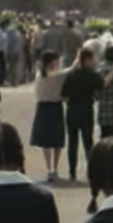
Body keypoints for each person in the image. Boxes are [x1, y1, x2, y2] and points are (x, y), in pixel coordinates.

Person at [60, 48, 106, 182]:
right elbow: (102, 84)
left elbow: (63, 95)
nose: (94, 61)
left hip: (72, 110)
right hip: (86, 109)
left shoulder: (72, 75)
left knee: (72, 142)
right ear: (86, 59)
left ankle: (72, 172)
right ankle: (90, 171)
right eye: (92, 59)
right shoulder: (92, 75)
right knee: (88, 142)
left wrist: (70, 101)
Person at [31, 51, 69, 182]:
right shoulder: (56, 75)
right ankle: (54, 168)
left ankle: (49, 168)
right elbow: (69, 70)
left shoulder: (39, 74)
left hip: (43, 107)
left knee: (46, 141)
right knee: (57, 139)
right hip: (55, 107)